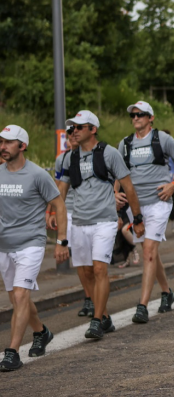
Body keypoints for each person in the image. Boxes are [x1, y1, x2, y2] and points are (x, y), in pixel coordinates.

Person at [57, 111, 144, 340]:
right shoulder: (69, 158)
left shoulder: (109, 153)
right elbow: (60, 193)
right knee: (86, 272)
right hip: (79, 222)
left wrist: (137, 219)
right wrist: (55, 218)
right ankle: (104, 316)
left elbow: (129, 188)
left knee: (99, 269)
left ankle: (96, 321)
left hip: (104, 221)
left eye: (79, 127)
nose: (74, 131)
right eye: (72, 128)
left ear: (92, 129)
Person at [117, 101, 174, 324]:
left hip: (159, 202)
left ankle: (142, 306)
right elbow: (118, 172)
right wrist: (115, 193)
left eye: (140, 114)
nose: (135, 118)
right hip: (135, 207)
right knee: (152, 253)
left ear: (151, 118)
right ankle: (167, 292)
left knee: (149, 250)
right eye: (132, 115)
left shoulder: (163, 139)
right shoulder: (125, 143)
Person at [0, 125, 69, 371]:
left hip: (30, 243)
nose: (3, 146)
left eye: (8, 142)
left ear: (22, 146)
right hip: (4, 246)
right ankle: (41, 332)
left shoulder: (38, 174)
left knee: (20, 296)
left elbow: (59, 205)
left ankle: (12, 352)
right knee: (18, 299)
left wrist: (62, 241)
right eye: (1, 142)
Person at [51, 126, 95, 317]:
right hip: (69, 212)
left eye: (75, 131)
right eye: (69, 133)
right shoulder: (62, 159)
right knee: (79, 259)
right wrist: (52, 211)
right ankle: (89, 298)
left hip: (92, 212)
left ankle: (97, 296)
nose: (72, 135)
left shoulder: (95, 155)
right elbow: (56, 187)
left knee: (94, 262)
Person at [163, 129, 174, 234]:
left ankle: (173, 221)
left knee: (171, 202)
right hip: (160, 181)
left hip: (171, 181)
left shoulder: (173, 150)